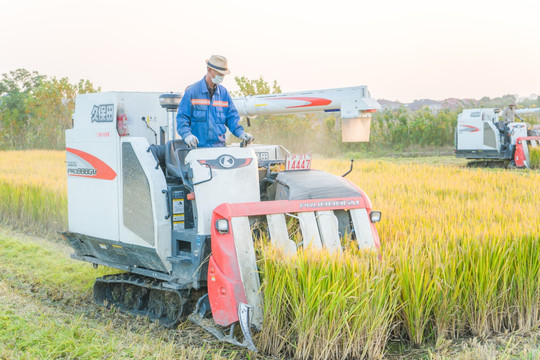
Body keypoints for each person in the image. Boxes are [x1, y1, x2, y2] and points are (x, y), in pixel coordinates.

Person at [176, 55, 253, 148]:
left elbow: (232, 118)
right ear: (209, 69)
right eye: (219, 73)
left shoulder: (224, 94)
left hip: (219, 148)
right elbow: (182, 119)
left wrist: (240, 133)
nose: (221, 76)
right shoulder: (192, 92)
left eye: (223, 74)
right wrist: (187, 135)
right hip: (197, 149)